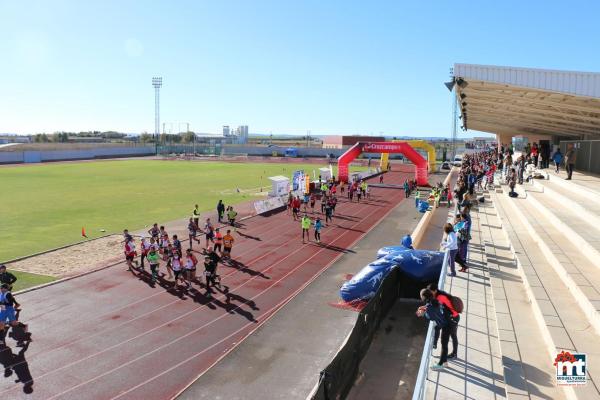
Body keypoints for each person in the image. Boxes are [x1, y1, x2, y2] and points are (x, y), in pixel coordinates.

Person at [416, 289, 451, 370]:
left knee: (444, 345)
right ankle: (444, 362)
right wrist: (424, 308)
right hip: (450, 321)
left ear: (424, 297)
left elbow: (431, 317)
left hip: (447, 325)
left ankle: (441, 364)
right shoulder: (434, 300)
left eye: (421, 296)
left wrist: (423, 314)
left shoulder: (430, 307)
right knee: (443, 342)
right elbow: (431, 308)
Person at [428, 283, 459, 359]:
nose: (429, 293)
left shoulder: (440, 297)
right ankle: (435, 344)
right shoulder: (438, 294)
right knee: (437, 327)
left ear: (435, 291)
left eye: (430, 291)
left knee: (452, 336)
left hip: (453, 318)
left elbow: (436, 308)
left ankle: (453, 354)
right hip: (450, 317)